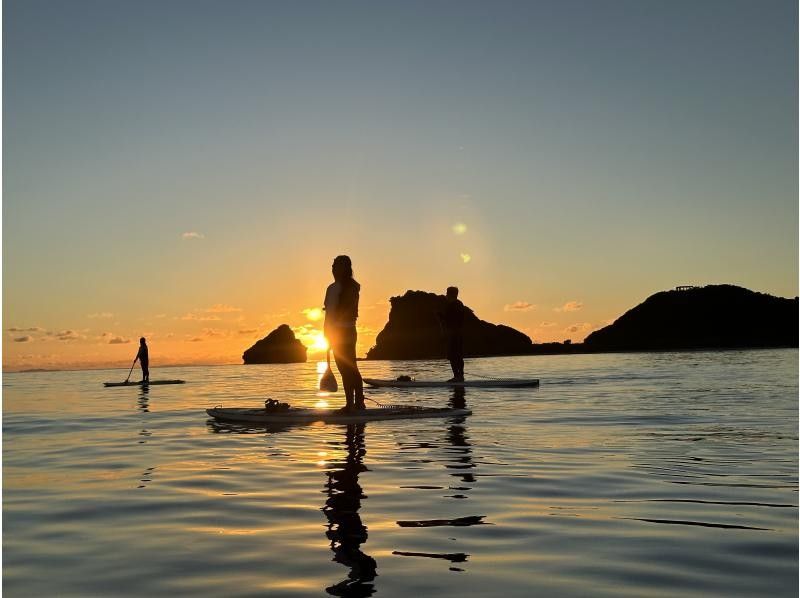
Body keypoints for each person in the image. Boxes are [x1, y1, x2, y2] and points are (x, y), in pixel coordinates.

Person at [324, 255, 366, 411]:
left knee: (344, 369)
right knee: (352, 367)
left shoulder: (334, 288)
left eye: (335, 265)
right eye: (332, 265)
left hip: (338, 332)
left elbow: (329, 315)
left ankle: (351, 405)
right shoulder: (354, 286)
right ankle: (359, 403)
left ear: (343, 268)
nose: (332, 268)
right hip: (351, 331)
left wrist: (327, 334)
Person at [438, 286, 465, 382]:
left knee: (452, 356)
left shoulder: (451, 306)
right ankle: (460, 376)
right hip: (459, 333)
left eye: (447, 293)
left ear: (450, 294)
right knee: (458, 355)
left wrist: (441, 317)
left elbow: (448, 320)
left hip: (453, 334)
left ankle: (457, 377)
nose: (446, 295)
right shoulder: (460, 304)